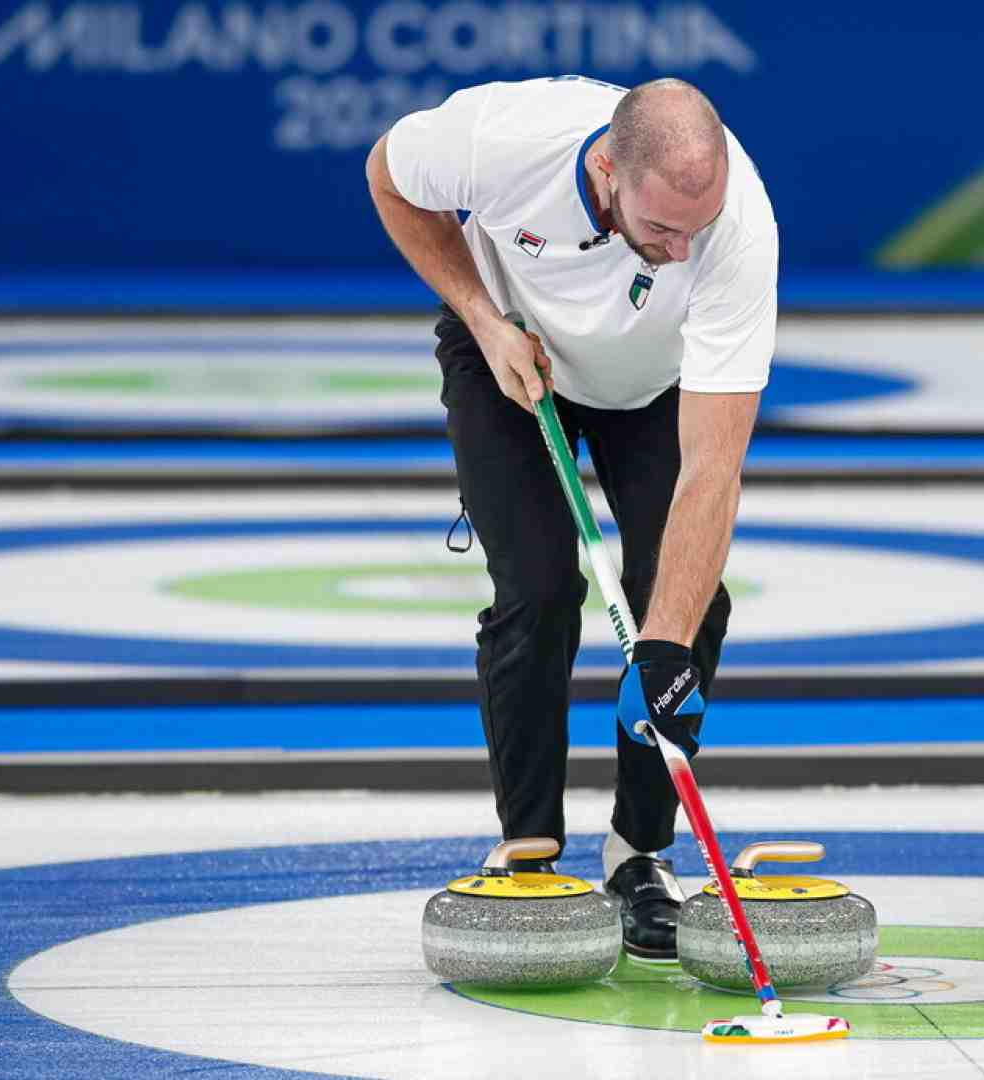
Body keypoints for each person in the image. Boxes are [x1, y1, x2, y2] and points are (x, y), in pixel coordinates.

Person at [366, 75, 778, 963]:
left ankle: (641, 851)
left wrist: (663, 653)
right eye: (661, 228)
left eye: (694, 232)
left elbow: (714, 464)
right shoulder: (503, 138)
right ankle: (530, 848)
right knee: (539, 590)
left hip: (655, 384)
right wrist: (482, 317)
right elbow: (388, 178)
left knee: (687, 609)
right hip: (510, 354)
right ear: (605, 171)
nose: (678, 250)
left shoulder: (738, 229)